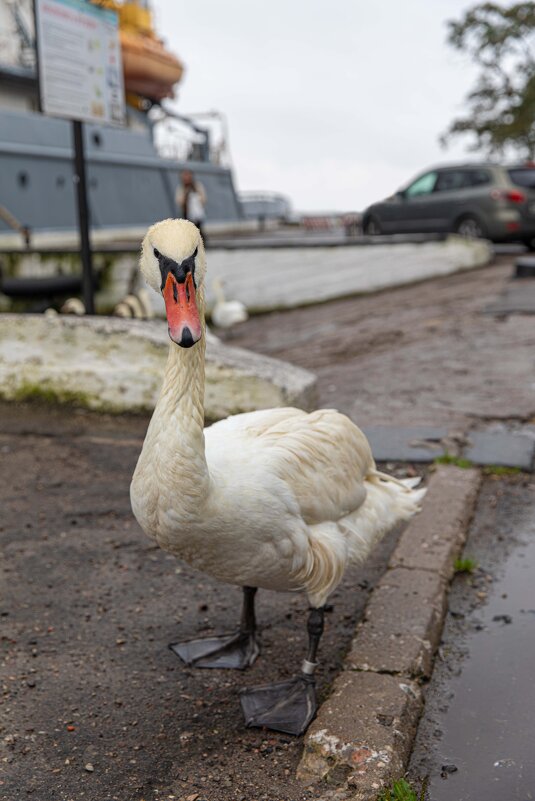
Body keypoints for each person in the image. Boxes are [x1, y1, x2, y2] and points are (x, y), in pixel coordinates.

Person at [176, 170, 207, 243]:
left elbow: (203, 198)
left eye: (188, 175)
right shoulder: (182, 188)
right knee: (187, 231)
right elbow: (179, 200)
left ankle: (202, 244)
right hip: (186, 213)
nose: (186, 178)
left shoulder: (197, 186)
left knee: (198, 230)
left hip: (196, 213)